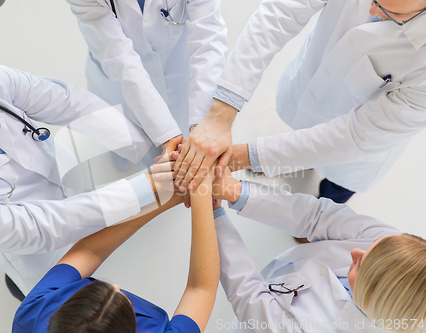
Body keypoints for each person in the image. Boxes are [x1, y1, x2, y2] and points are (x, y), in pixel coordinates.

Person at [0, 59, 173, 300]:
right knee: (69, 290)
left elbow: (71, 105)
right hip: (35, 245)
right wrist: (151, 185)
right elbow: (48, 227)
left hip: (63, 178)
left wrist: (155, 154)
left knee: (86, 213)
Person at [174, 0, 426, 203]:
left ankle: (319, 210)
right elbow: (278, 14)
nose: (370, 9)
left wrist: (240, 157)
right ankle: (279, 160)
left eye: (386, 11)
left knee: (336, 188)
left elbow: (355, 136)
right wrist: (221, 114)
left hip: (359, 148)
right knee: (300, 135)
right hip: (311, 88)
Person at [210, 167, 426, 332]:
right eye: (371, 248)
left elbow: (250, 298)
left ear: (373, 295)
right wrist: (235, 190)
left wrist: (214, 215)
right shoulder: (390, 242)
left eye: (363, 265)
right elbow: (316, 217)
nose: (355, 252)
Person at [12, 163, 219, 333]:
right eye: (121, 299)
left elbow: (90, 250)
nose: (117, 287)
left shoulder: (33, 313)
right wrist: (201, 188)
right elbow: (200, 289)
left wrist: (168, 195)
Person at [66, 0, 227, 160]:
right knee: (119, 146)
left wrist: (202, 124)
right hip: (115, 79)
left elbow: (208, 41)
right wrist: (168, 135)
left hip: (176, 63)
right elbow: (120, 61)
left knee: (186, 139)